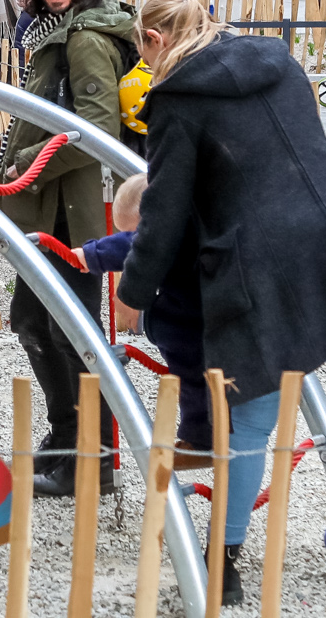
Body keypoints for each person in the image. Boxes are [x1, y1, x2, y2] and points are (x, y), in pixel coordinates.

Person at [120, 0, 326, 603]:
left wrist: (135, 289)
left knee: (251, 424)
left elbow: (162, 213)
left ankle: (225, 567)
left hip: (264, 255)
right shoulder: (280, 61)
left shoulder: (176, 103)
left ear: (154, 42)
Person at [0, 0, 136, 496]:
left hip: (74, 206)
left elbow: (96, 130)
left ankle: (90, 460)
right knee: (35, 321)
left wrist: (24, 165)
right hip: (57, 201)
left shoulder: (86, 37)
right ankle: (64, 445)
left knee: (72, 330)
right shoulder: (65, 24)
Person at [73, 173, 210, 467]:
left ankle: (201, 439)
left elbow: (137, 245)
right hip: (202, 301)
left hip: (196, 316)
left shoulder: (169, 226)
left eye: (132, 230)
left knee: (186, 358)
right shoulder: (190, 212)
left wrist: (91, 255)